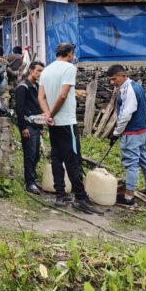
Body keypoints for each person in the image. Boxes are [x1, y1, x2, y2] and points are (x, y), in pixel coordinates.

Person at [38, 43, 101, 214]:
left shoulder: (46, 71)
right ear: (70, 53)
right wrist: (52, 113)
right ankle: (81, 197)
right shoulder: (69, 68)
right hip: (66, 122)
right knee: (73, 160)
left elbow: (41, 97)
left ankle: (60, 195)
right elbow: (63, 94)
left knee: (57, 159)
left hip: (53, 124)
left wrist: (48, 115)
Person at [107, 65, 146, 206]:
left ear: (123, 76)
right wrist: (139, 116)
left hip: (132, 133)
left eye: (114, 79)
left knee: (131, 164)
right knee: (144, 159)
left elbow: (125, 115)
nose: (112, 82)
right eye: (110, 80)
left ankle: (129, 198)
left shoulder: (128, 90)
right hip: (142, 131)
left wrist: (116, 133)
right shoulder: (137, 86)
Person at [16, 61, 45, 194]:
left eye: (42, 71)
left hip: (36, 125)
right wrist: (23, 127)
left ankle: (32, 179)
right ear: (30, 70)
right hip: (27, 125)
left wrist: (41, 126)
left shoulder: (37, 87)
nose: (40, 74)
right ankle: (29, 183)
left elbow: (38, 108)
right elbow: (19, 109)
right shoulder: (23, 87)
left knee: (36, 155)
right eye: (38, 71)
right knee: (30, 154)